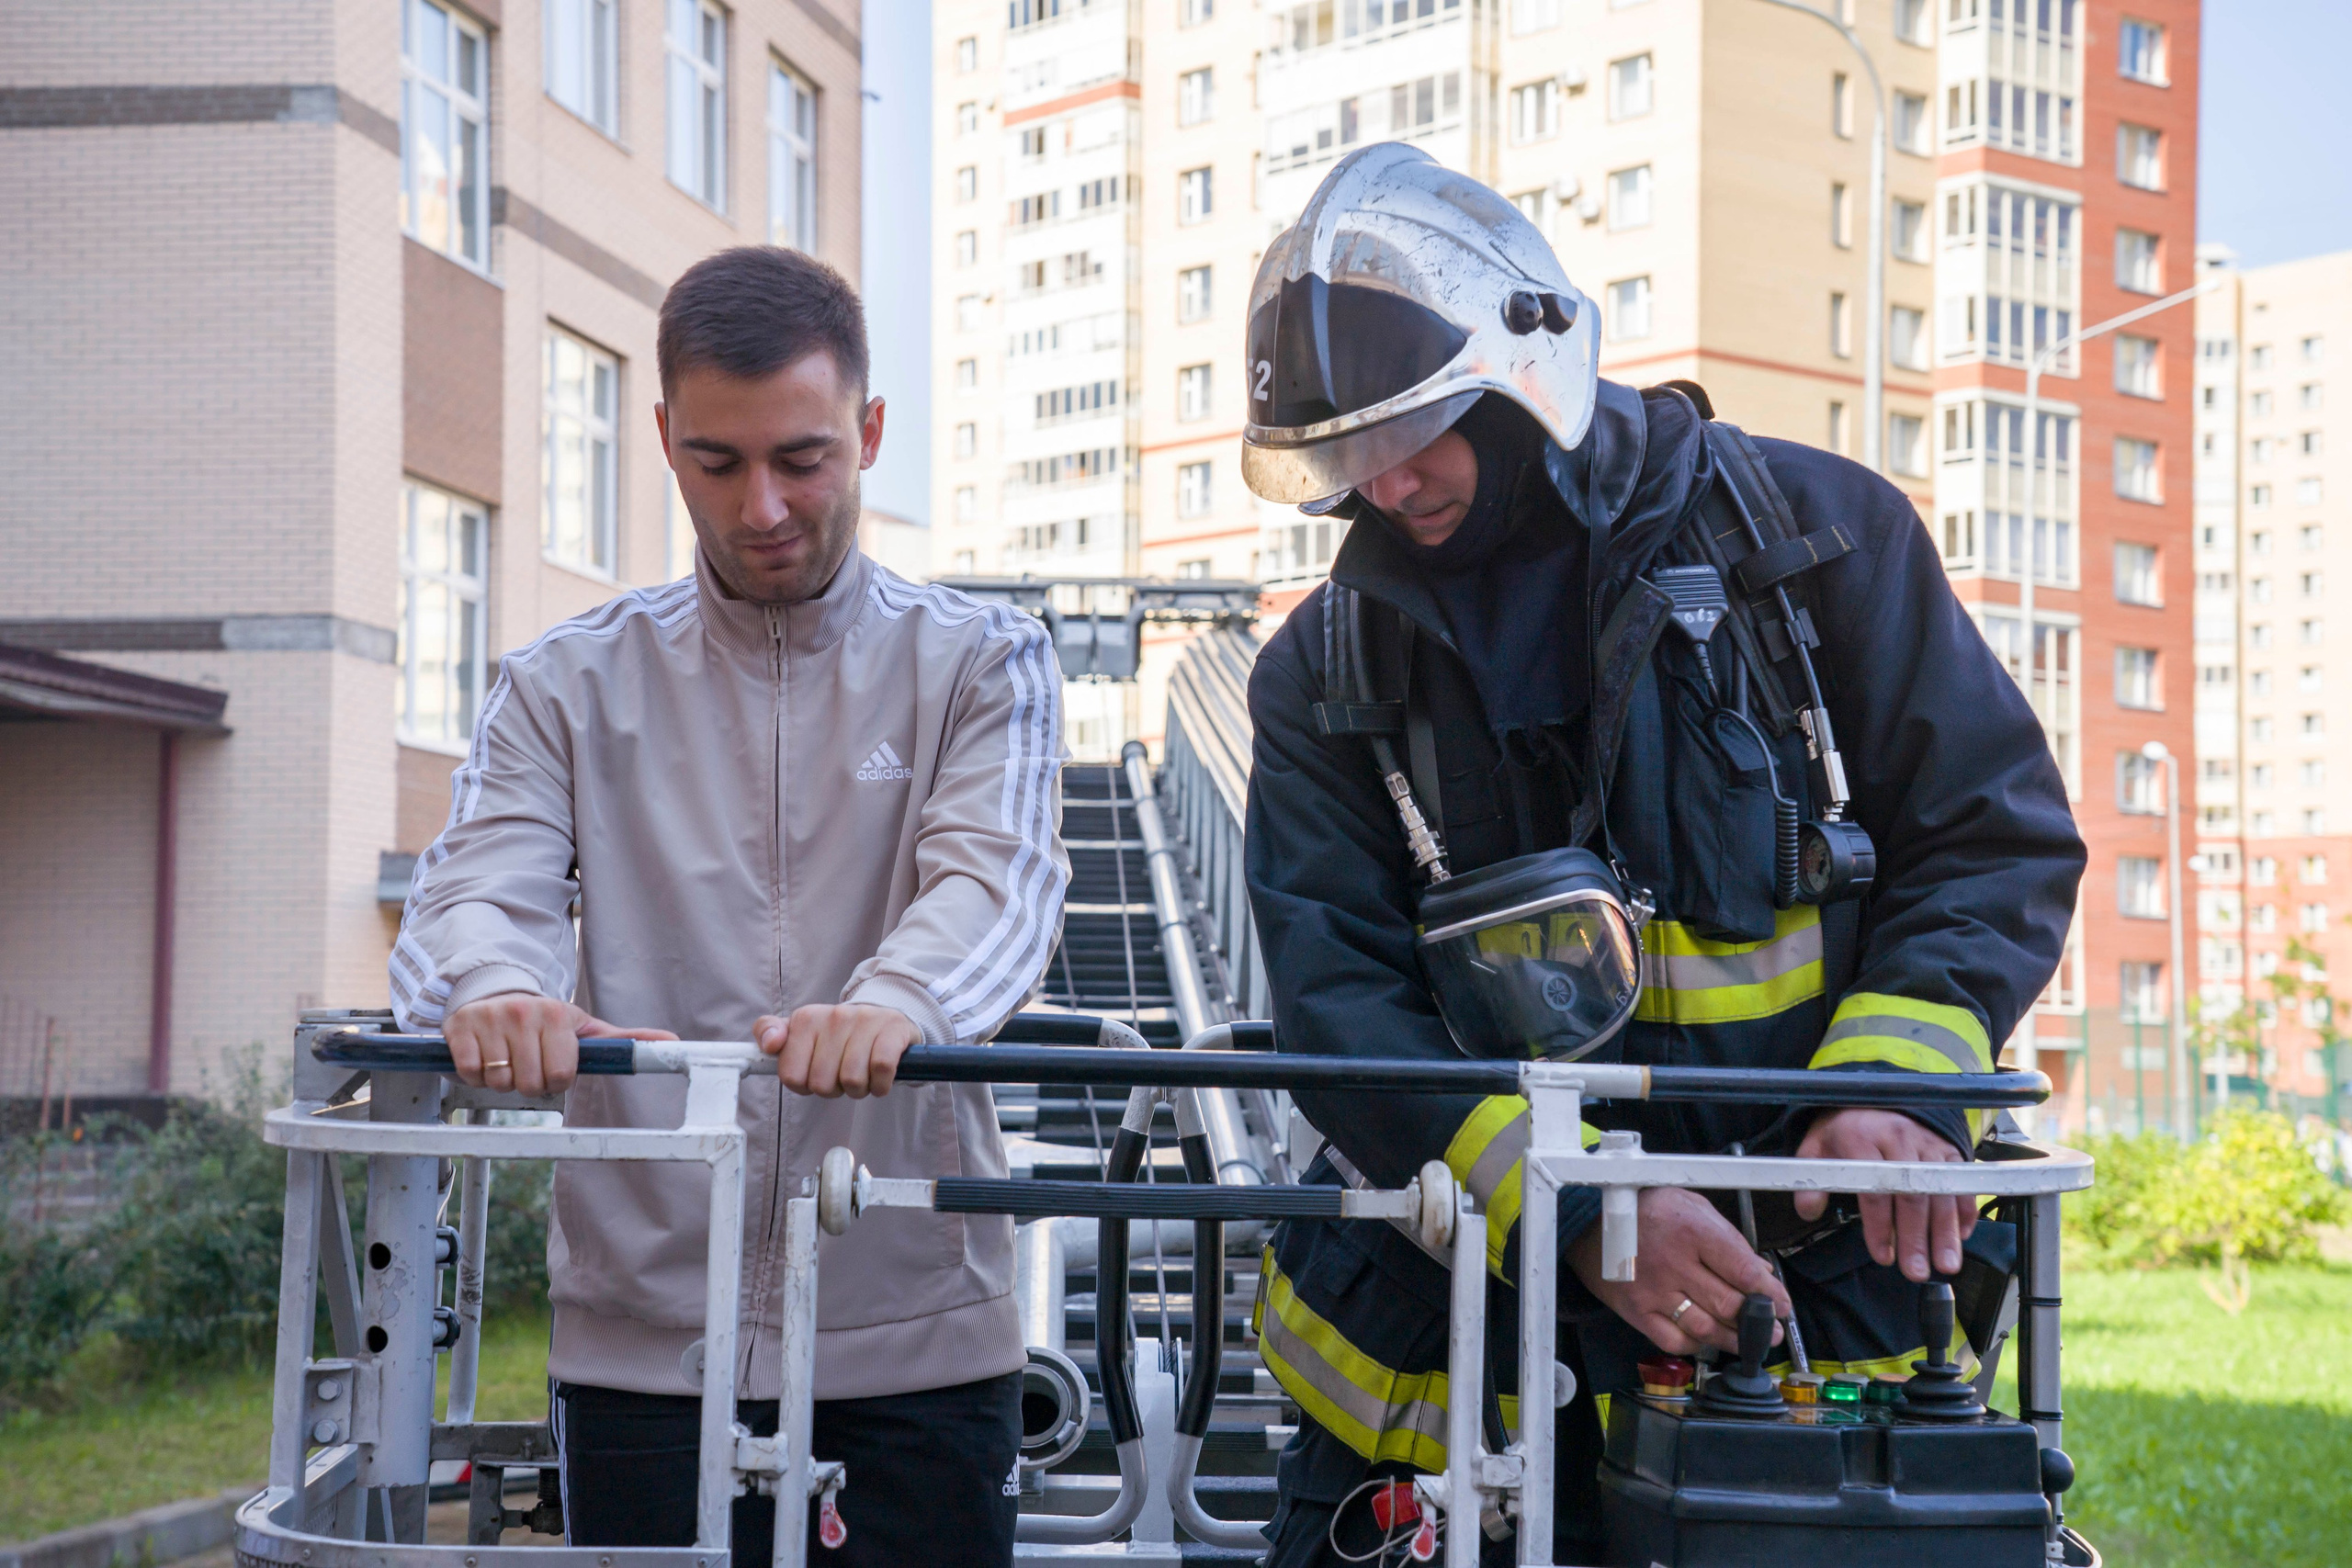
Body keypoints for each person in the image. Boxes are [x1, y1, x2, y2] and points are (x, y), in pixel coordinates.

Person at [1238, 144, 2086, 1564]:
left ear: (1528, 359)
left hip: (1808, 1306)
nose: (1387, 484)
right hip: (1443, 1358)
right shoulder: (1321, 670)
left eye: (1419, 426)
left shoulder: (1822, 544)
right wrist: (1585, 1214)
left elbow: (1986, 837)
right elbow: (1338, 1002)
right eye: (1345, 454)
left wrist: (1889, 1092)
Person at [390, 246, 1070, 1567]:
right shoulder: (563, 685)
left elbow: (999, 880)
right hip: (649, 1338)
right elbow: (476, 883)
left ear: (871, 433)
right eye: (716, 462)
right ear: (661, 437)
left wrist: (901, 1000)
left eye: (803, 458)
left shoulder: (984, 661)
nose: (761, 504)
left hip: (916, 1323)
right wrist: (494, 988)